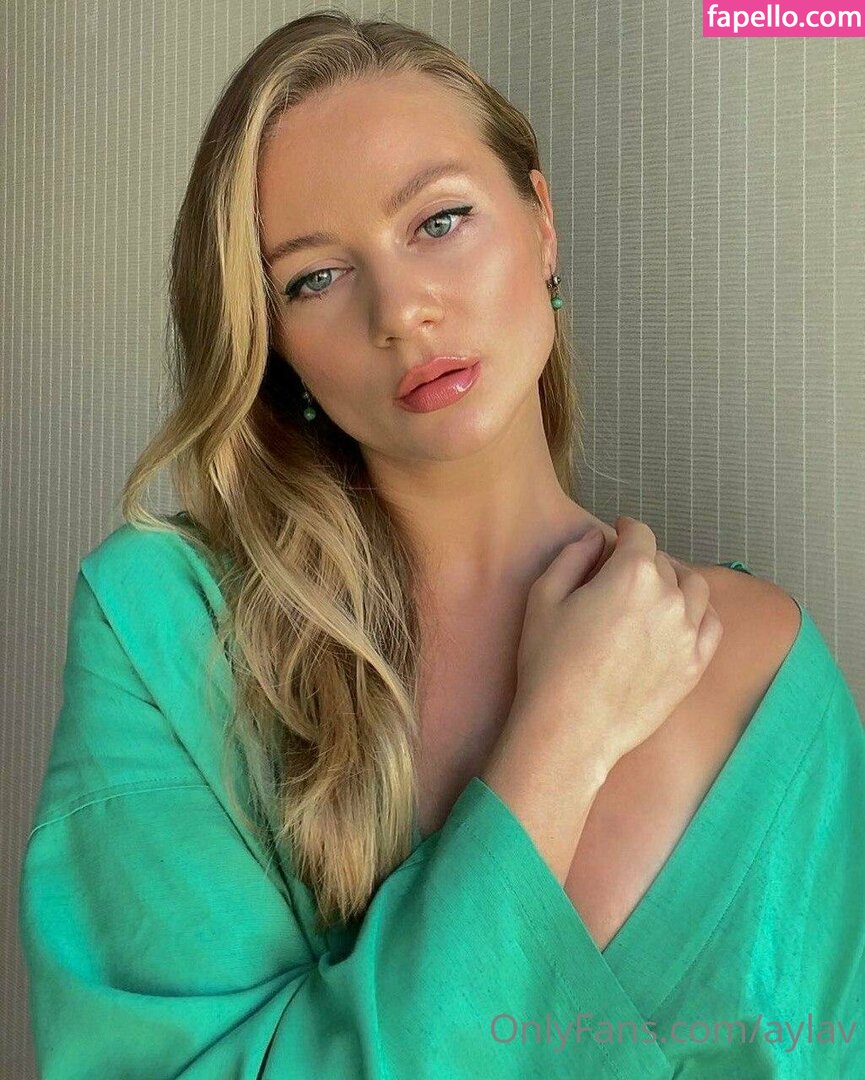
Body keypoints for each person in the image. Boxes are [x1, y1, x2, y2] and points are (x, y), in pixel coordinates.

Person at [19, 10, 864, 1078]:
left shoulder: (768, 672)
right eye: (315, 278)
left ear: (541, 224)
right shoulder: (168, 630)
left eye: (440, 220)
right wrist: (560, 737)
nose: (401, 310)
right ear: (274, 347)